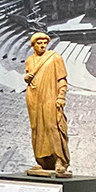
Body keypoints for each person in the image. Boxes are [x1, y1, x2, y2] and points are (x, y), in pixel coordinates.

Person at [23, 31, 70, 176]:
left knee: (52, 126)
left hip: (50, 95)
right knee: (37, 128)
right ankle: (42, 161)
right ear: (33, 45)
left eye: (44, 42)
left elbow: (62, 79)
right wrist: (27, 78)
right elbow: (28, 76)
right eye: (39, 43)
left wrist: (61, 97)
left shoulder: (55, 58)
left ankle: (59, 160)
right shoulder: (29, 60)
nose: (42, 45)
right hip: (34, 96)